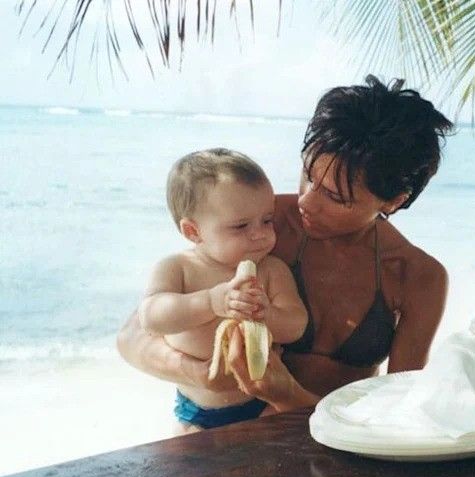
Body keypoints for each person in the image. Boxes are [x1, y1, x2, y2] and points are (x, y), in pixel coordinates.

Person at [117, 75, 453, 417]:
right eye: (307, 173)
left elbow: (401, 410)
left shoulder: (417, 277)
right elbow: (132, 336)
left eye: (334, 196)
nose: (306, 200)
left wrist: (286, 394)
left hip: (344, 439)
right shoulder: (261, 224)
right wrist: (201, 375)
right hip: (240, 429)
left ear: (393, 201)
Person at [138, 148, 307, 434]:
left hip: (262, 404)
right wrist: (210, 302)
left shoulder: (270, 270)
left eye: (267, 220)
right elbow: (152, 317)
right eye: (241, 226)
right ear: (193, 232)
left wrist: (267, 314)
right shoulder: (178, 268)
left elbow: (296, 326)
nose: (260, 234)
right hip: (198, 412)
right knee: (192, 471)